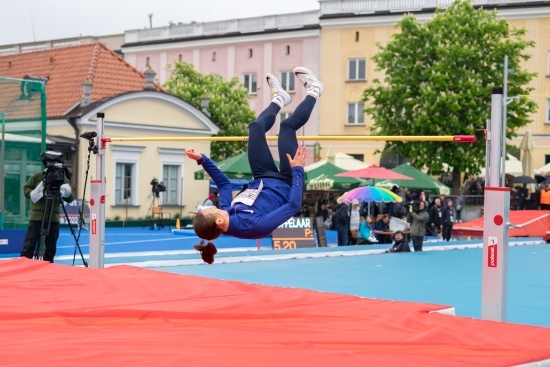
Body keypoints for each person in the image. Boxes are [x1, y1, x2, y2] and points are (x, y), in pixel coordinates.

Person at [186, 67, 324, 264]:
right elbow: (293, 205)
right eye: (213, 209)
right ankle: (314, 90)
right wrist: (298, 171)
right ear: (218, 221)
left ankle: (280, 98)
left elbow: (224, 185)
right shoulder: (253, 227)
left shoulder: (227, 211)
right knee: (286, 127)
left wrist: (203, 160)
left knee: (255, 127)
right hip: (287, 179)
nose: (217, 206)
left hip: (262, 174)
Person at [20, 153, 75, 263]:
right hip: (37, 217)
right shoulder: (38, 176)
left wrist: (67, 193)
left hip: (53, 217)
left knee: (51, 246)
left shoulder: (62, 178)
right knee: (29, 245)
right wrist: (34, 192)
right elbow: (26, 189)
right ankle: (23, 266)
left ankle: (47, 267)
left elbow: (70, 198)